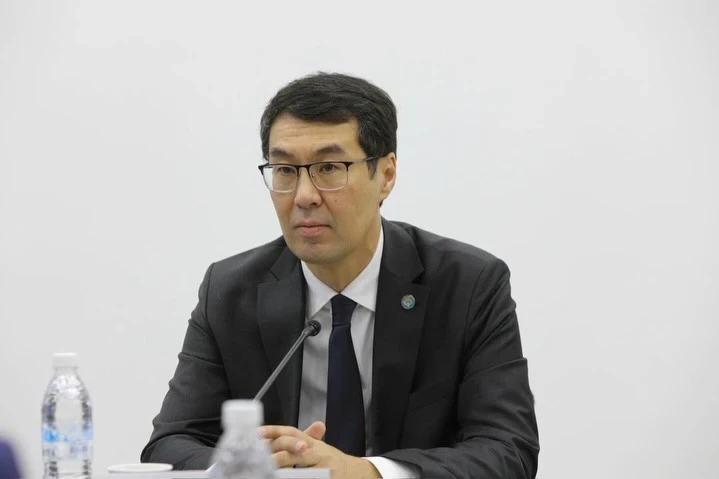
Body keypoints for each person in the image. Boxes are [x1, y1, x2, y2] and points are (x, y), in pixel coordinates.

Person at [141, 72, 540, 478]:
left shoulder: (468, 286)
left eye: (329, 167)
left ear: (386, 175)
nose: (304, 196)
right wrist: (260, 467)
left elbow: (509, 451)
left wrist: (365, 473)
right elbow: (169, 446)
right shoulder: (229, 292)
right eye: (285, 170)